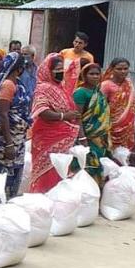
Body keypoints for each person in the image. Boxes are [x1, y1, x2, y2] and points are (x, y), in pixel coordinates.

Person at [0, 54, 32, 207]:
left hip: (17, 137)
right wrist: (9, 143)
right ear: (19, 68)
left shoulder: (17, 83)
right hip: (5, 138)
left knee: (11, 171)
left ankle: (4, 206)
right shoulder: (8, 85)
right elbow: (3, 114)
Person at [28, 54, 81, 193]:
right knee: (47, 169)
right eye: (56, 69)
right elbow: (42, 111)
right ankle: (42, 198)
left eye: (61, 69)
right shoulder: (43, 88)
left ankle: (57, 200)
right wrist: (65, 116)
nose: (60, 72)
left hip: (62, 136)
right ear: (48, 70)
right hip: (47, 135)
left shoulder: (61, 87)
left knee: (60, 168)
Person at [73, 63, 111, 184]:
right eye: (91, 74)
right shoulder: (81, 93)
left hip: (101, 138)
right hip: (88, 136)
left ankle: (96, 193)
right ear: (84, 75)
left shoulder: (98, 92)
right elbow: (77, 117)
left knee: (100, 164)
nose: (95, 77)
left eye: (97, 74)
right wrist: (82, 137)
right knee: (89, 165)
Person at [100, 58, 135, 151]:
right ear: (112, 69)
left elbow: (131, 104)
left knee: (124, 153)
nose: (123, 71)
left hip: (127, 126)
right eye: (119, 69)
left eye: (125, 68)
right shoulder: (106, 85)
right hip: (111, 125)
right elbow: (101, 106)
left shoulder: (128, 84)